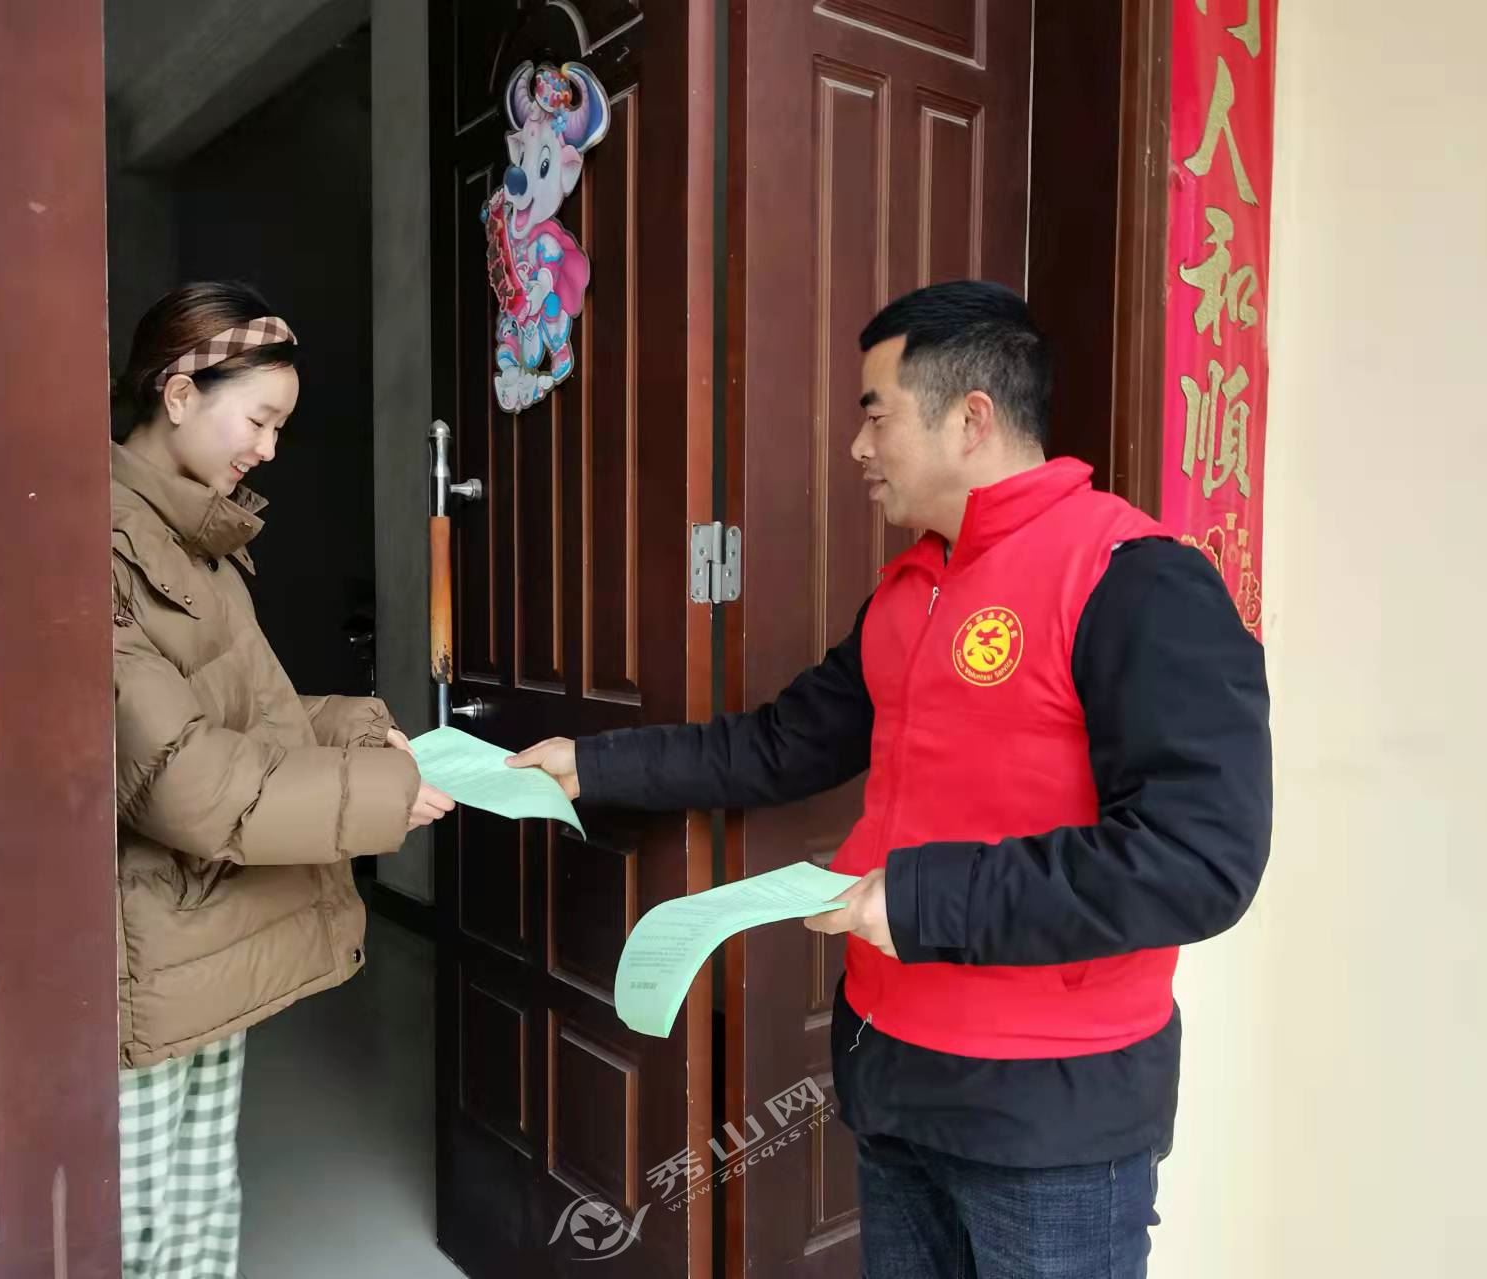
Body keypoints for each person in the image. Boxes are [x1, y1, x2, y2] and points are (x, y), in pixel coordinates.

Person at [509, 281, 1272, 1278]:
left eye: (876, 415)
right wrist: (591, 764)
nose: (857, 448)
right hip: (891, 1066)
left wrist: (916, 900)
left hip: (1049, 1108)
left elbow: (1198, 859)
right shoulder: (912, 587)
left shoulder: (1132, 577)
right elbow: (782, 744)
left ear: (971, 419)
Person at [108, 281, 454, 1279]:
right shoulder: (106, 540)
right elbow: (183, 778)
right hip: (147, 950)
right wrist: (381, 797)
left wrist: (361, 732)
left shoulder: (195, 540)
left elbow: (235, 715)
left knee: (203, 1200)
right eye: (258, 420)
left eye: (279, 427)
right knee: (137, 1229)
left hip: (203, 933)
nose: (268, 449)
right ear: (179, 393)